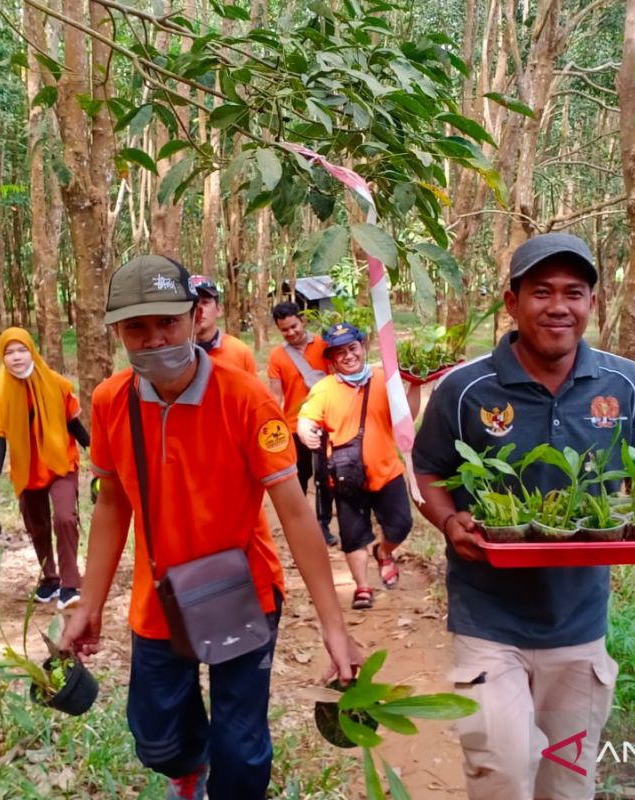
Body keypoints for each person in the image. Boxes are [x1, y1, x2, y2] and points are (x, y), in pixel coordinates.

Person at [59, 255, 360, 800]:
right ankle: (189, 771)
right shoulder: (110, 402)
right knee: (157, 740)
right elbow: (111, 506)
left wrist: (332, 625)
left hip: (242, 592)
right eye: (136, 328)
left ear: (194, 315)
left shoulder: (245, 399)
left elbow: (294, 512)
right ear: (119, 333)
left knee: (241, 754)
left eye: (167, 323)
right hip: (159, 597)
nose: (154, 340)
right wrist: (89, 602)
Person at [411, 232, 635, 800]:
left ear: (592, 304)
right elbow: (427, 469)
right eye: (541, 291)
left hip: (578, 623)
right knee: (502, 772)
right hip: (488, 619)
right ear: (512, 301)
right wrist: (450, 522)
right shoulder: (465, 388)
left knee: (568, 781)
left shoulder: (625, 384)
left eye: (574, 293)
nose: (559, 306)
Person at [297, 322, 413, 611]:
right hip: (346, 476)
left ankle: (384, 552)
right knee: (352, 536)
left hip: (387, 471)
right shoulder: (324, 389)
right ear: (331, 360)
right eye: (339, 353)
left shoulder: (384, 379)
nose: (348, 356)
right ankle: (362, 585)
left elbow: (406, 416)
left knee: (401, 525)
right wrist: (305, 430)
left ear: (363, 347)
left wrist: (417, 387)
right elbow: (306, 418)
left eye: (352, 348)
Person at [0, 327, 89, 610]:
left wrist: (101, 455)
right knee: (37, 526)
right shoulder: (0, 395)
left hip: (61, 463)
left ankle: (70, 583)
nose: (16, 357)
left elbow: (74, 425)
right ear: (1, 358)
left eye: (21, 350)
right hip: (27, 470)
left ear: (32, 351)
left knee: (65, 518)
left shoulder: (56, 383)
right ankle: (50, 578)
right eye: (9, 352)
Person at [267, 301, 337, 547]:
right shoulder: (277, 356)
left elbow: (336, 377)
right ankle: (299, 526)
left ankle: (323, 526)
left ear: (303, 321)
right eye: (285, 330)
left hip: (326, 423)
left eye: (294, 326)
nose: (291, 332)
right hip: (295, 427)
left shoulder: (324, 344)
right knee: (299, 477)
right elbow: (276, 395)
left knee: (324, 477)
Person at [189, 274, 256, 374]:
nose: (199, 310)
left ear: (219, 310)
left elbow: (252, 389)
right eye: (193, 303)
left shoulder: (240, 352)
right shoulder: (177, 354)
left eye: (205, 302)